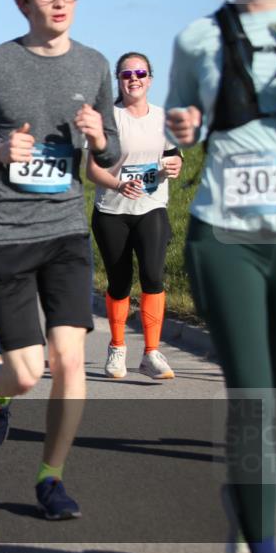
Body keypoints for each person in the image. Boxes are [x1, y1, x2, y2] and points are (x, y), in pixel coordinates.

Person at [0, 0, 120, 520]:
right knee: (26, 371)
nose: (60, 2)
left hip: (67, 231)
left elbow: (111, 151)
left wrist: (98, 139)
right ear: (22, 2)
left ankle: (52, 478)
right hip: (8, 236)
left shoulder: (94, 65)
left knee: (70, 358)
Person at [166, 0, 276, 553]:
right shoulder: (197, 39)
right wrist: (184, 128)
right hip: (227, 235)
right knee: (255, 399)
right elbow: (185, 119)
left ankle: (243, 499)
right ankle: (265, 547)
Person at [86, 52, 182, 380]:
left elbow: (173, 155)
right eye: (127, 74)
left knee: (153, 276)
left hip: (151, 206)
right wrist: (118, 183)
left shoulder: (163, 117)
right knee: (119, 281)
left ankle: (152, 353)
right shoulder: (107, 119)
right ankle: (116, 348)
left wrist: (177, 163)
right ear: (119, 80)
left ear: (150, 79)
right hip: (112, 210)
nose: (134, 78)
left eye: (140, 72)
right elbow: (92, 169)